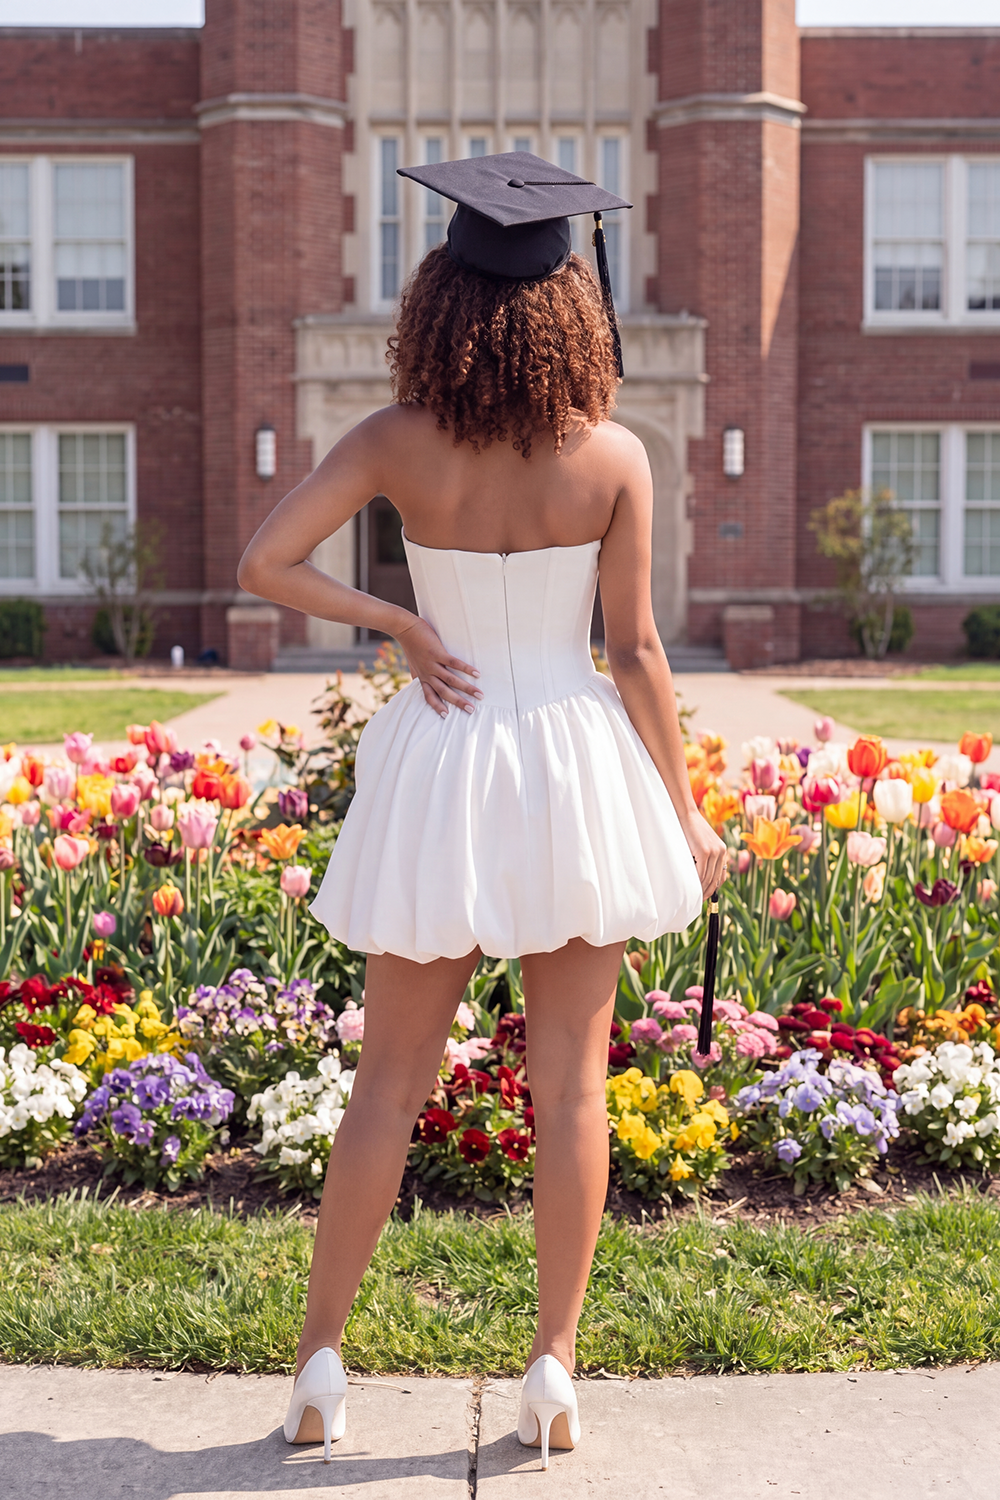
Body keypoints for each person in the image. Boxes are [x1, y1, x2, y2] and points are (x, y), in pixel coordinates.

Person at [237, 151, 728, 1471]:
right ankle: (553, 1374)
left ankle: (320, 1369)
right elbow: (633, 654)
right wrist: (681, 813)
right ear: (574, 309)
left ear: (441, 304)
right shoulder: (614, 453)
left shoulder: (397, 437)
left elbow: (265, 563)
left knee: (386, 1083)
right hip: (571, 759)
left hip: (444, 756)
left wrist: (396, 615)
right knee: (570, 1085)